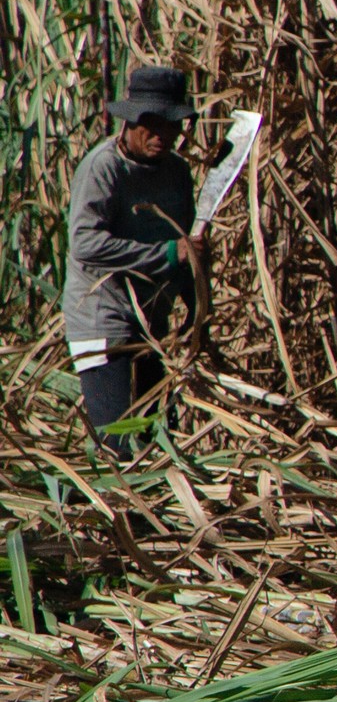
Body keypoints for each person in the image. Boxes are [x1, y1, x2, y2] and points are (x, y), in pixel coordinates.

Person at [63, 63, 205, 458]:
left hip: (150, 324)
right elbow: (85, 244)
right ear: (129, 121)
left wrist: (195, 305)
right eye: (151, 123)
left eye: (171, 125)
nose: (161, 135)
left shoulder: (177, 172)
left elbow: (185, 245)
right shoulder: (102, 167)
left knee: (156, 442)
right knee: (119, 448)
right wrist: (165, 254)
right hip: (102, 321)